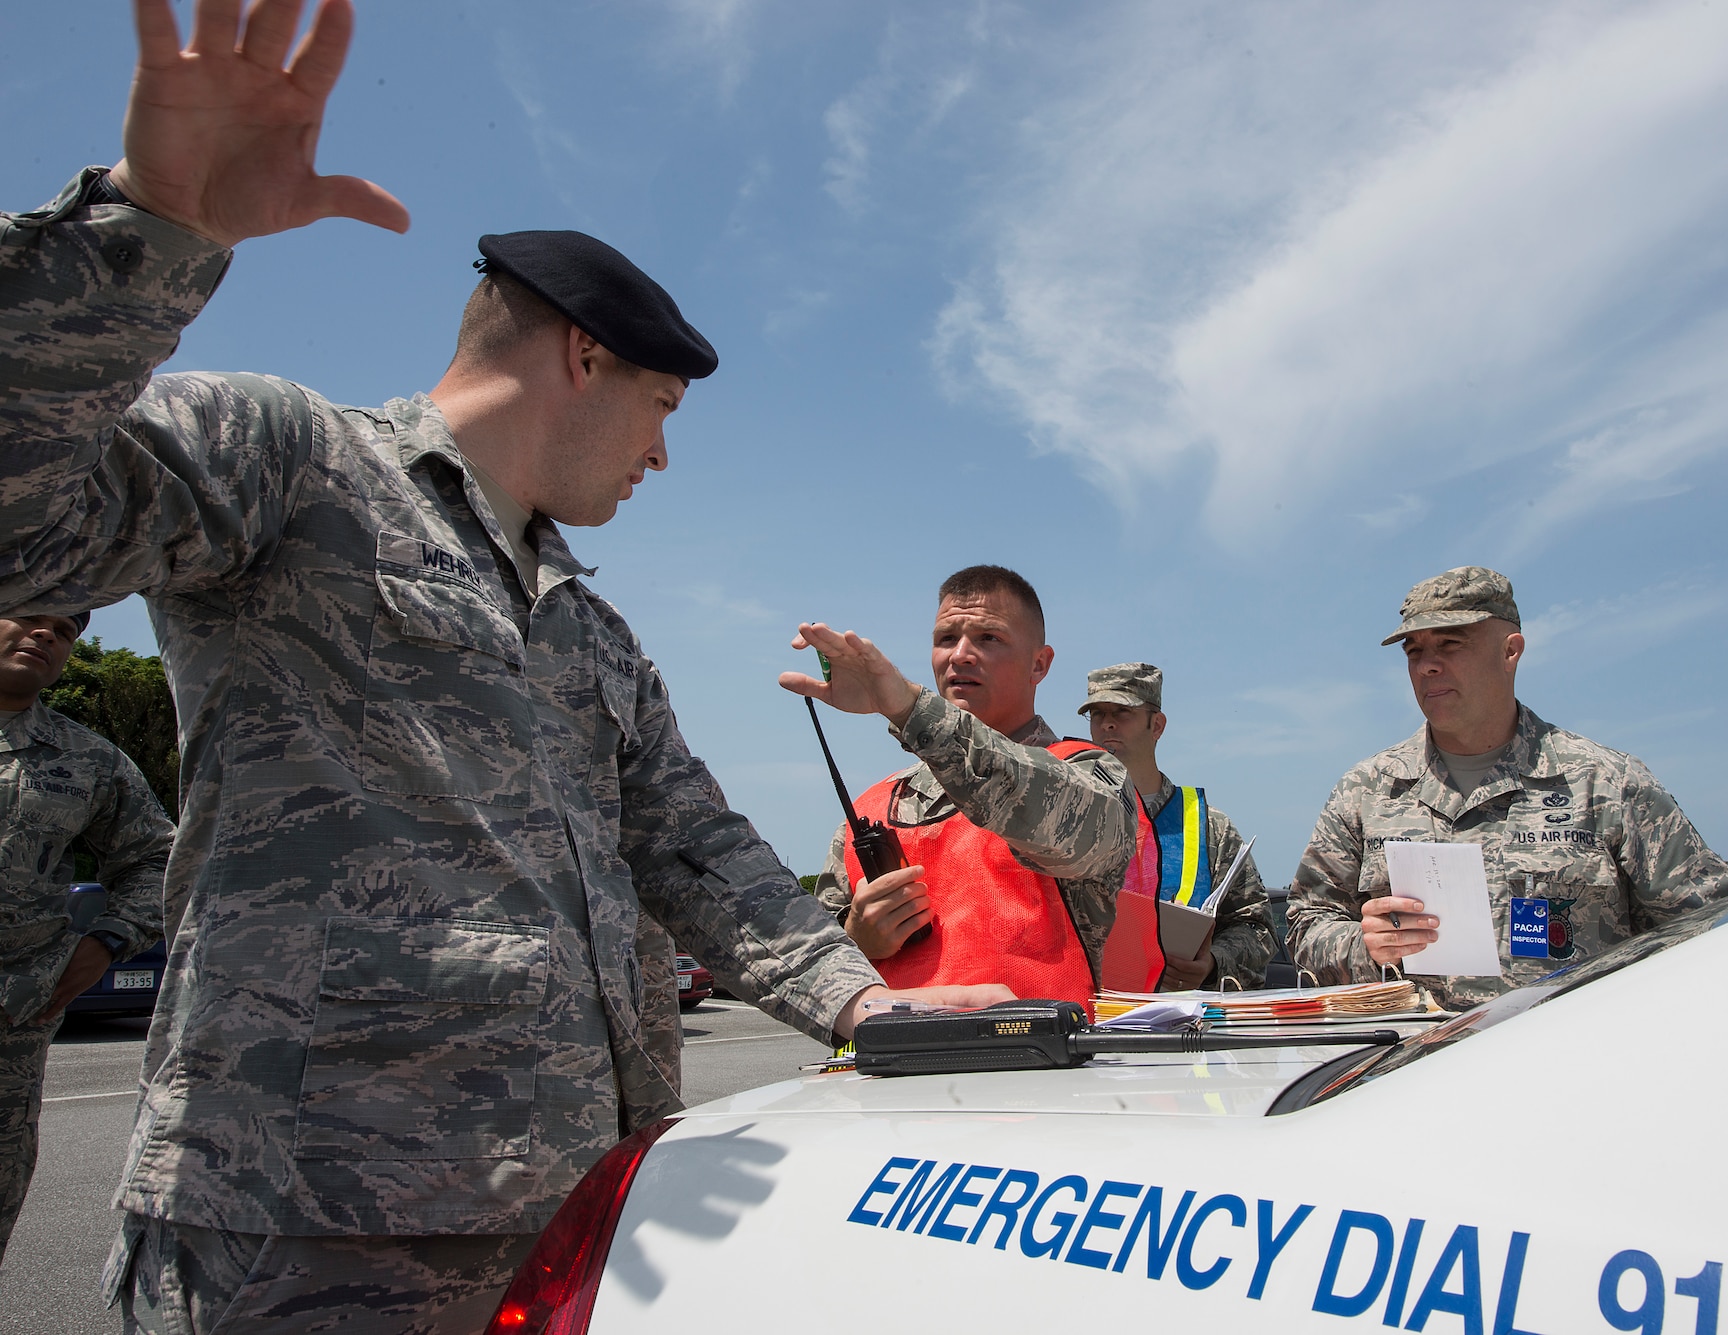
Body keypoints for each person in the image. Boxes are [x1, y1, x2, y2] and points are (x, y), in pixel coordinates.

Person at [0, 4, 999, 1329]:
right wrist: (146, 232)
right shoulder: (298, 465)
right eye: (661, 409)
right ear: (585, 353)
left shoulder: (593, 632)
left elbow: (701, 852)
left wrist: (866, 1003)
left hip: (570, 1216)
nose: (660, 457)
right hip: (303, 1222)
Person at [1287, 567, 1728, 1010]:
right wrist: (1367, 947)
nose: (1427, 666)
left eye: (1450, 644)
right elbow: (1305, 927)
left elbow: (1711, 923)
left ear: (1510, 651)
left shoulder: (1607, 783)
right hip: (1414, 1064)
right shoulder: (1367, 790)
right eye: (1413, 651)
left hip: (1572, 1058)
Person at [794, 566, 1141, 1002]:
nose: (960, 654)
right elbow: (809, 976)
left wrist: (909, 709)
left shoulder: (1091, 775)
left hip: (1043, 1063)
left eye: (988, 638)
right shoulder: (874, 808)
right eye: (945, 639)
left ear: (1040, 663)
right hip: (897, 1062)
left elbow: (1041, 808)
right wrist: (857, 937)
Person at [0, 610, 174, 1266]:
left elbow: (159, 857)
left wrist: (103, 942)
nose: (48, 634)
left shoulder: (85, 760)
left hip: (10, 1036)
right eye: (29, 615)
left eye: (66, 629)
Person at [1080, 663, 1274, 991]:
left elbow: (1256, 928)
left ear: (1156, 725)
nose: (1107, 724)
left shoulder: (1210, 828)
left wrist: (1212, 963)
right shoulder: (1067, 817)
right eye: (1097, 714)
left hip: (1183, 1025)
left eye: (1122, 712)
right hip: (1086, 1019)